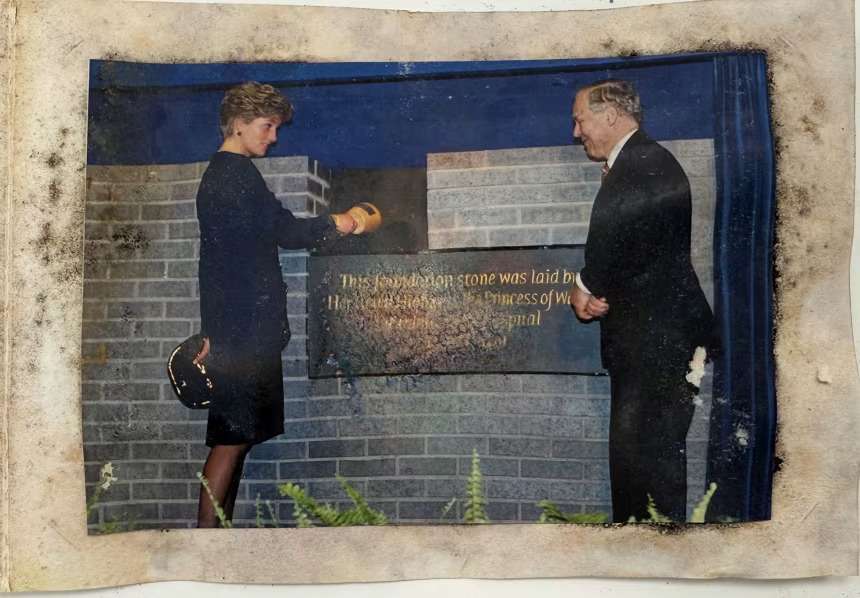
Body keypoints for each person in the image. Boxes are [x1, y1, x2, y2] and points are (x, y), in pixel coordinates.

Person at [192, 81, 357, 528]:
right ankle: (205, 540)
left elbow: (215, 264)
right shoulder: (234, 175)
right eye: (267, 126)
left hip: (239, 331)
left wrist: (211, 332)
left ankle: (216, 534)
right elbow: (285, 231)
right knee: (231, 439)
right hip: (243, 334)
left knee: (238, 438)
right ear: (239, 124)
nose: (273, 137)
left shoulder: (226, 174)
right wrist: (337, 222)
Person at [569, 79, 714, 522]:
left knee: (646, 468)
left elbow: (613, 233)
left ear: (610, 115)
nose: (576, 132)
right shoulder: (644, 162)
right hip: (657, 342)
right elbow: (640, 250)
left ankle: (648, 555)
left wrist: (586, 286)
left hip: (655, 346)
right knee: (644, 465)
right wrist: (605, 291)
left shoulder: (639, 163)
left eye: (580, 120)